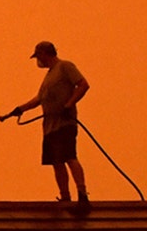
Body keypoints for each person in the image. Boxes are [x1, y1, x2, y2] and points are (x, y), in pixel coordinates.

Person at [6, 41, 90, 207]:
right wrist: (20, 109)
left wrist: (69, 104)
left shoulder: (65, 67)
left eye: (39, 56)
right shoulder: (49, 76)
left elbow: (83, 85)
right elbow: (39, 99)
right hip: (50, 126)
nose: (38, 60)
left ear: (45, 54)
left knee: (69, 157)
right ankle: (65, 197)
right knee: (56, 161)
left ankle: (82, 194)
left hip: (64, 123)